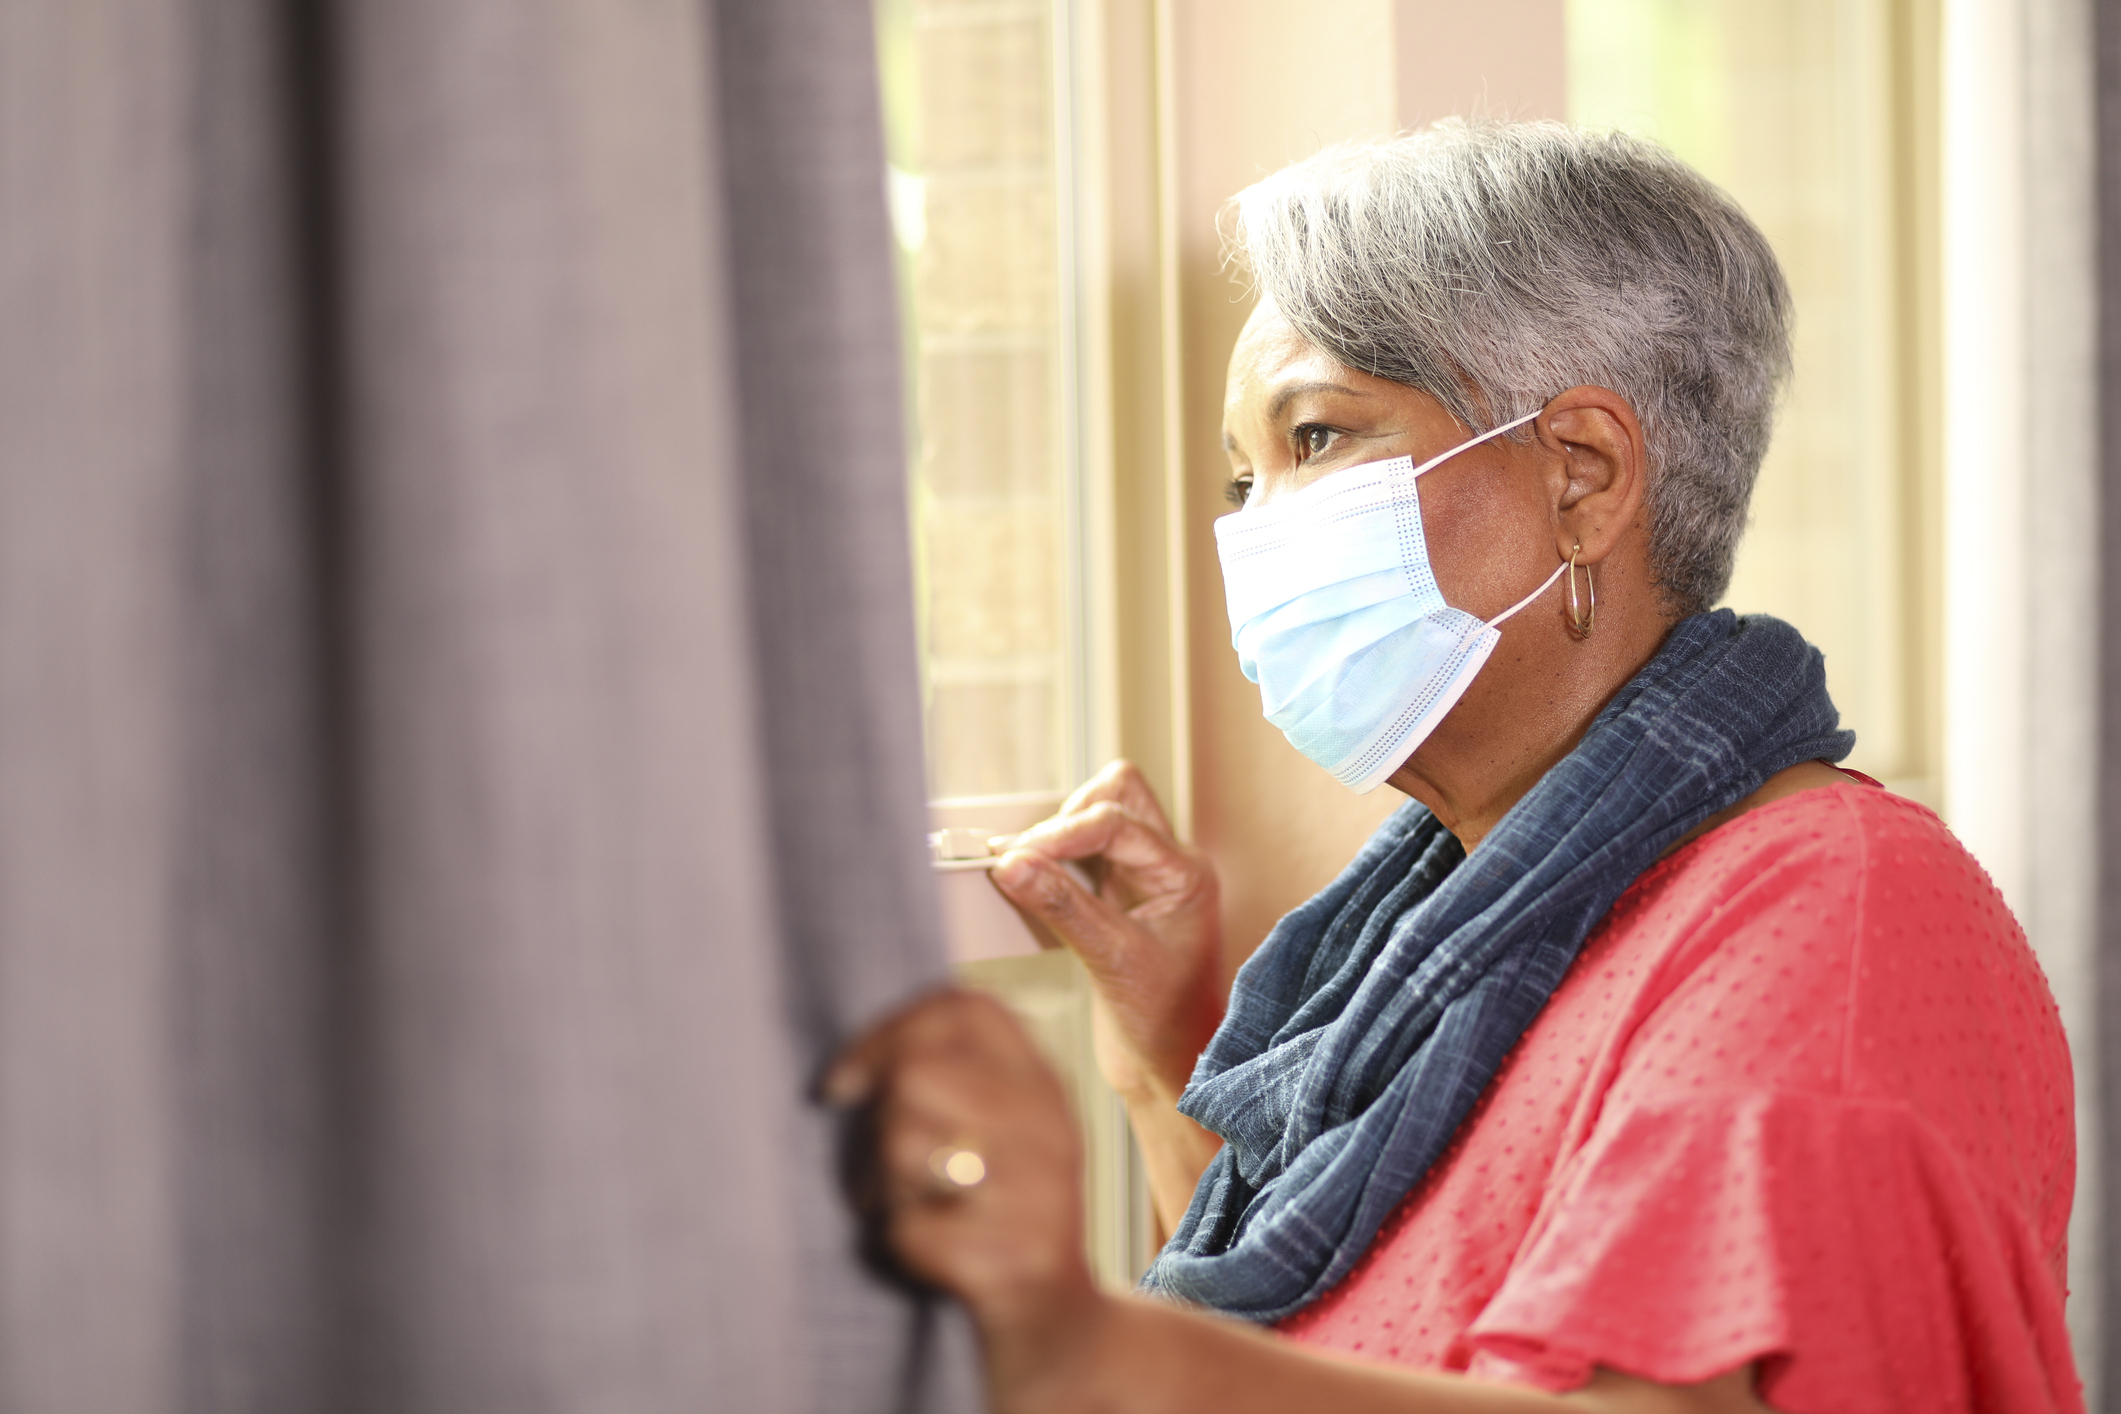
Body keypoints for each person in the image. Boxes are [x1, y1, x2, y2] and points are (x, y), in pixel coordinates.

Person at [826, 122, 2080, 1413]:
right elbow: (1341, 1342)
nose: (1254, 534)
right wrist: (1161, 1059)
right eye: (1243, 480)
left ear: (1582, 477)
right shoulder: (1440, 923)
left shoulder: (1835, 914)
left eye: (1316, 439)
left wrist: (1075, 1342)